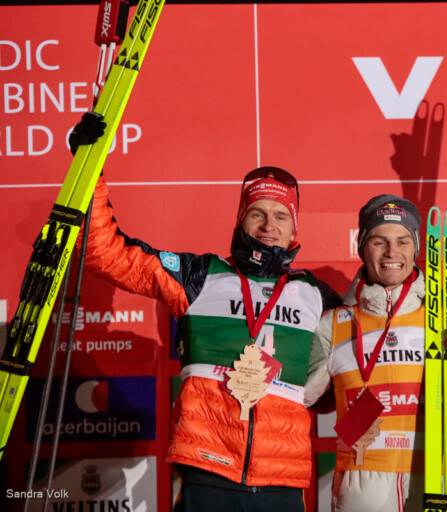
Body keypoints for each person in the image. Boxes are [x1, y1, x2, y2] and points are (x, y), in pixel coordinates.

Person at [68, 113, 341, 512]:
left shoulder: (317, 294)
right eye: (257, 213)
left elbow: (361, 349)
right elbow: (104, 253)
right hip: (208, 471)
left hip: (282, 481)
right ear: (240, 220)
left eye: (281, 216)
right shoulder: (199, 275)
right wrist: (89, 168)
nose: (269, 225)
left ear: (293, 228)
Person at [304, 194, 426, 512]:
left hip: (433, 483)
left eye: (403, 241)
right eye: (378, 241)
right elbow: (295, 397)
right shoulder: (333, 325)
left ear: (415, 248)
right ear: (362, 248)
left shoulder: (442, 320)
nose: (392, 252)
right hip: (361, 491)